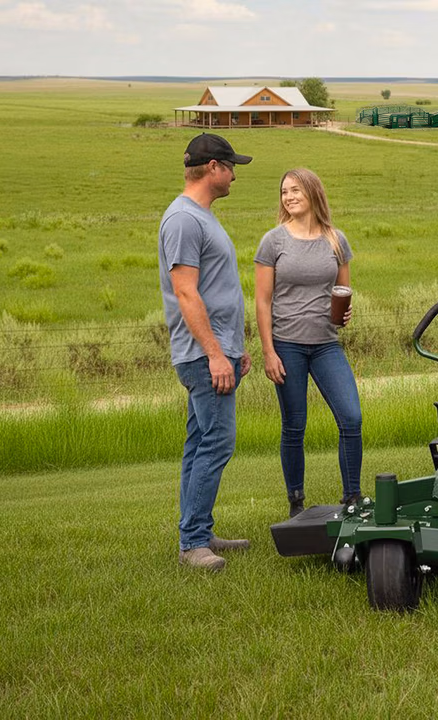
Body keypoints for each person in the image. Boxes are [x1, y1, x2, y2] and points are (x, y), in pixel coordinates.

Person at [158, 133, 253, 572]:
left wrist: (235, 347)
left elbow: (217, 289)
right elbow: (185, 291)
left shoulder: (200, 216)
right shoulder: (183, 220)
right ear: (213, 167)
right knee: (217, 442)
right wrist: (216, 354)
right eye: (231, 166)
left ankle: (199, 528)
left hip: (218, 349)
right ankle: (193, 542)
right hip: (202, 354)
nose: (235, 175)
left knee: (199, 443)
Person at [253, 168, 361, 518]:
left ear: (313, 193)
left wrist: (344, 312)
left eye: (296, 190)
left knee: (351, 418)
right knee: (294, 425)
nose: (289, 197)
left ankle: (353, 498)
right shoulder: (273, 242)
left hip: (327, 345)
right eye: (284, 192)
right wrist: (268, 351)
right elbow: (263, 301)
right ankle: (296, 502)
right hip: (287, 345)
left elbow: (342, 291)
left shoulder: (335, 239)